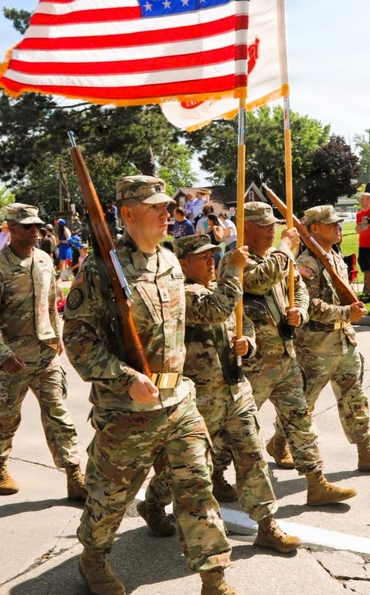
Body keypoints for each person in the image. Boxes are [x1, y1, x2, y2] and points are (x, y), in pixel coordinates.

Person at [62, 176, 238, 595]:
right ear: (127, 214)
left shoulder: (170, 260)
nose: (167, 213)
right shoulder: (101, 268)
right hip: (128, 409)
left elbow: (191, 312)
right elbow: (78, 338)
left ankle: (214, 578)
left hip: (180, 401)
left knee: (197, 487)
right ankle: (94, 558)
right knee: (109, 498)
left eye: (166, 206)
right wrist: (125, 378)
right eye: (155, 207)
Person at [142, 234, 301, 555]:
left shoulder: (224, 287)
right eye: (204, 257)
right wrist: (233, 269)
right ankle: (153, 502)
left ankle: (267, 525)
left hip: (236, 390)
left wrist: (249, 343)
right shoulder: (181, 293)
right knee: (186, 467)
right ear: (184, 264)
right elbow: (216, 310)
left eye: (215, 254)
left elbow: (245, 323)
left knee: (252, 456)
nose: (212, 260)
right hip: (200, 400)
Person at [240, 201, 357, 506]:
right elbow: (258, 279)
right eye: (265, 226)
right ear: (245, 227)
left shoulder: (280, 258)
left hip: (285, 356)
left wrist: (300, 312)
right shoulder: (238, 260)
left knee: (301, 420)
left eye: (274, 225)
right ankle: (212, 475)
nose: (273, 230)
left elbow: (299, 287)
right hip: (253, 364)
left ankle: (317, 483)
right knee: (236, 429)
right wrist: (287, 247)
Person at [0, 203, 86, 503]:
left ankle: (74, 473)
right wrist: (2, 355)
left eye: (37, 225)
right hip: (11, 362)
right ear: (10, 228)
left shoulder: (45, 260)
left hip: (45, 356)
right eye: (27, 226)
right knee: (5, 418)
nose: (35, 230)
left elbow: (53, 303)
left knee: (59, 415)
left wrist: (56, 335)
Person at [297, 205, 370, 473]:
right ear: (314, 228)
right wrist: (346, 312)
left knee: (355, 397)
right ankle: (279, 442)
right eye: (330, 224)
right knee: (303, 404)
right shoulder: (306, 264)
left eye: (337, 223)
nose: (337, 227)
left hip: (344, 341)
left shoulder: (336, 258)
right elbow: (307, 306)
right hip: (316, 347)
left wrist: (350, 312)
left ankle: (365, 452)